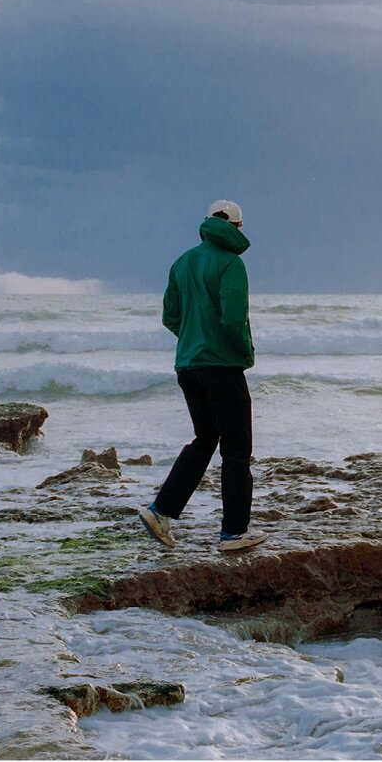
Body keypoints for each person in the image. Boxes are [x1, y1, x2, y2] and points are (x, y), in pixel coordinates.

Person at [139, 200, 266, 554]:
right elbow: (232, 319)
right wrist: (243, 352)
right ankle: (233, 533)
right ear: (237, 227)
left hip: (188, 366)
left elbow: (170, 316)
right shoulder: (232, 264)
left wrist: (194, 338)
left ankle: (161, 511)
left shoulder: (183, 262)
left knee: (205, 438)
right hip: (222, 366)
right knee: (237, 448)